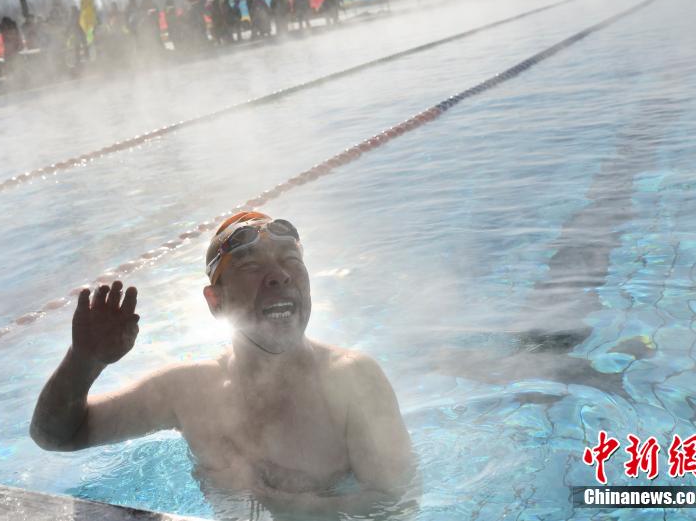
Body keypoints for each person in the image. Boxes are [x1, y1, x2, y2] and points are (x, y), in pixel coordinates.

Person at [31, 211, 416, 515]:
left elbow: (397, 505)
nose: (279, 277)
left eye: (290, 261)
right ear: (216, 302)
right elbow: (56, 436)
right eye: (251, 267)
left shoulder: (353, 380)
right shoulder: (187, 392)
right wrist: (84, 362)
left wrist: (286, 509)